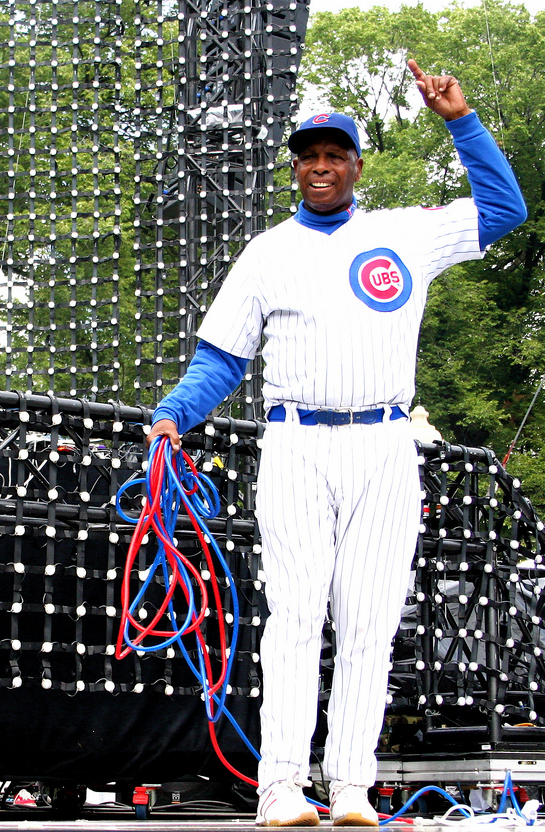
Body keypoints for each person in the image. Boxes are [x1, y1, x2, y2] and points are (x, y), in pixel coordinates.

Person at [147, 59, 526, 827]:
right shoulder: (268, 251)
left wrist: (461, 120)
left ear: (356, 165)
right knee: (293, 619)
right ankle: (281, 788)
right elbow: (221, 359)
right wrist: (173, 415)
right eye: (308, 156)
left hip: (384, 444)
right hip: (296, 444)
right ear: (295, 168)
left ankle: (352, 787)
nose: (320, 166)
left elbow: (504, 208)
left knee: (368, 624)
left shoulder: (403, 234)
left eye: (334, 155)